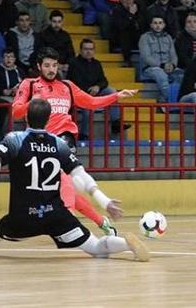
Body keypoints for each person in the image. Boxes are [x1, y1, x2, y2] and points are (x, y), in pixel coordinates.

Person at [0, 99, 149, 262]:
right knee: (97, 248)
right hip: (56, 216)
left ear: (27, 117)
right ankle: (125, 244)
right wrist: (105, 201)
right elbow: (80, 177)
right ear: (48, 120)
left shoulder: (14, 139)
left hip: (23, 217)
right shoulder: (59, 144)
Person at [12, 47, 136, 236]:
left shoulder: (67, 86)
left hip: (64, 137)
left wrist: (115, 96)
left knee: (63, 175)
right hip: (38, 142)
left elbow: (91, 103)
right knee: (61, 186)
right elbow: (16, 112)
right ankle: (101, 221)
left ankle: (68, 221)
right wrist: (33, 102)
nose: (51, 69)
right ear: (39, 66)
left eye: (54, 65)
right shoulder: (29, 85)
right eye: (47, 65)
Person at [67, 38, 131, 140]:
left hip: (95, 91)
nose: (88, 51)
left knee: (112, 92)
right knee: (88, 108)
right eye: (86, 49)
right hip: (80, 94)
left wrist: (98, 87)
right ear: (80, 50)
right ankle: (84, 134)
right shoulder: (73, 63)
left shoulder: (96, 63)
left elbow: (104, 81)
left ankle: (116, 123)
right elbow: (73, 82)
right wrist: (88, 92)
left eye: (91, 49)